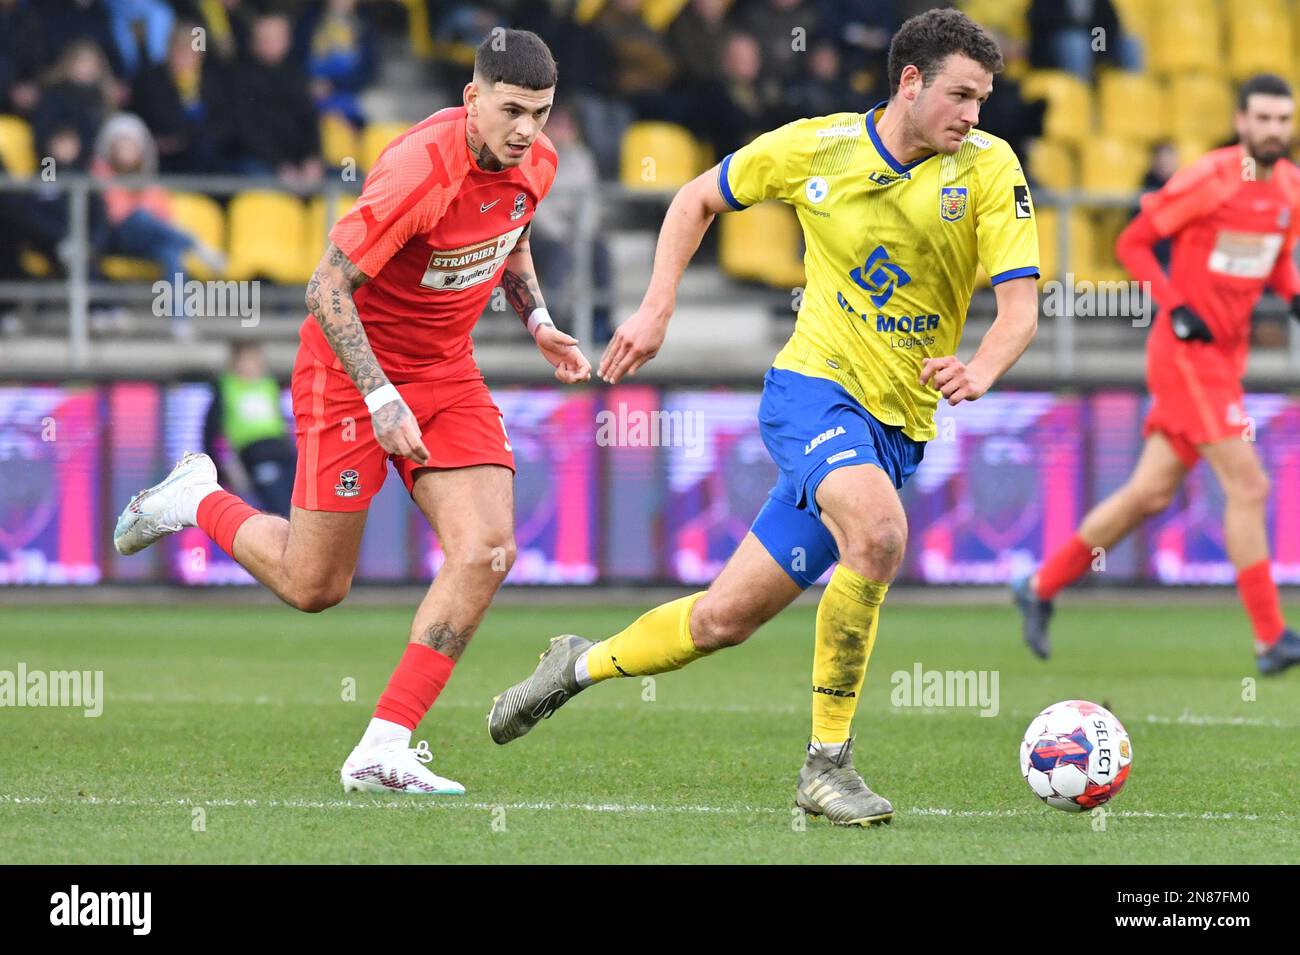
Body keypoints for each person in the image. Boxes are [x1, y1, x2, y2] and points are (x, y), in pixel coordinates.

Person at [488, 9, 1040, 827]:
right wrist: (655, 308)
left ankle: (575, 664)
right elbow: (695, 198)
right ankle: (828, 766)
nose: (974, 115)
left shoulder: (989, 168)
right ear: (911, 83)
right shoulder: (816, 147)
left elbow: (1020, 310)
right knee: (880, 536)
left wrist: (982, 367)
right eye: (962, 95)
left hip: (896, 428)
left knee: (720, 619)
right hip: (810, 392)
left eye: (984, 100)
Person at [112, 30, 592, 796]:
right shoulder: (417, 168)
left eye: (540, 112)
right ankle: (194, 497)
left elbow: (513, 233)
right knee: (314, 585)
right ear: (473, 98)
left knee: (488, 548)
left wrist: (537, 322)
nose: (528, 129)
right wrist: (379, 396)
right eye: (512, 110)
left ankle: (384, 742)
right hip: (348, 369)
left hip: (446, 371)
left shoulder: (537, 160)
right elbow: (325, 289)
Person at [1013, 74, 1300, 676]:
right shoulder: (1209, 178)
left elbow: (1273, 261)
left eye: (1284, 120)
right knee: (1249, 487)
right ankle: (1271, 638)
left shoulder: (1289, 189)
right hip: (1185, 356)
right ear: (1242, 122)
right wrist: (1175, 305)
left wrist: (1292, 293)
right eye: (1264, 119)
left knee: (1149, 495)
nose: (1275, 130)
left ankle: (1040, 585)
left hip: (1226, 361)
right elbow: (1134, 242)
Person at [203, 342, 297, 517]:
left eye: (254, 360)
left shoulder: (269, 385)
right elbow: (209, 431)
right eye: (245, 360)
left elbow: (279, 422)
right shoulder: (226, 388)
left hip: (285, 454)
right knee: (279, 511)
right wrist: (218, 470)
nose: (250, 366)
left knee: (300, 510)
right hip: (256, 454)